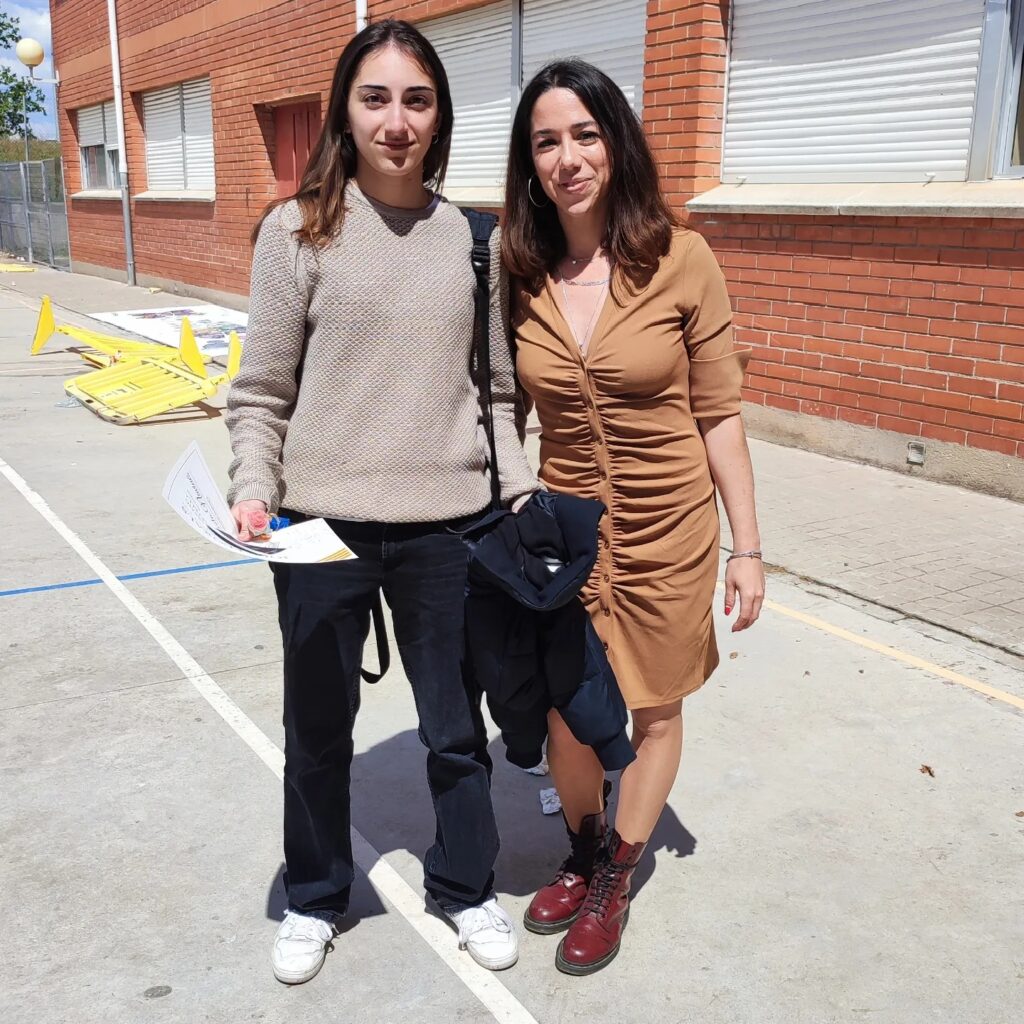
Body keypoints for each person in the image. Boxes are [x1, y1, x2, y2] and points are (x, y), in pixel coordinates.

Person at [225, 20, 536, 984]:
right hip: (319, 529)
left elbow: (497, 391)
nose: (396, 121)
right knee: (317, 730)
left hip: (451, 527)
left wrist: (520, 492)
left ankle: (466, 886)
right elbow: (261, 390)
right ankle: (316, 895)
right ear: (344, 113)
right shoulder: (296, 232)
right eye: (376, 99)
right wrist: (253, 486)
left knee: (455, 731)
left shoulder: (476, 241)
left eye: (416, 100)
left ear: (439, 117)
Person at [502, 59, 766, 976]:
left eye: (585, 134)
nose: (568, 158)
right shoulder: (520, 272)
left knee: (652, 710)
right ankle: (582, 852)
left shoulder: (682, 260)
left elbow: (720, 414)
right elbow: (497, 406)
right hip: (566, 537)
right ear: (529, 162)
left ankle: (616, 874)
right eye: (547, 141)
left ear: (615, 142)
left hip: (669, 531)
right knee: (568, 716)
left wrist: (748, 548)